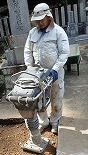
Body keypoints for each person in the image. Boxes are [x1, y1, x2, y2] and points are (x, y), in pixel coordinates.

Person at [24, 3, 70, 134]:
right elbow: (28, 51)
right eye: (37, 21)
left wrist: (55, 69)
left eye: (41, 20)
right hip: (38, 73)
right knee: (39, 99)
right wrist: (29, 68)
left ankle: (55, 121)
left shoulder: (58, 32)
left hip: (54, 72)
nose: (39, 23)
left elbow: (64, 53)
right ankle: (43, 121)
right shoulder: (32, 33)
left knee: (56, 97)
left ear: (49, 17)